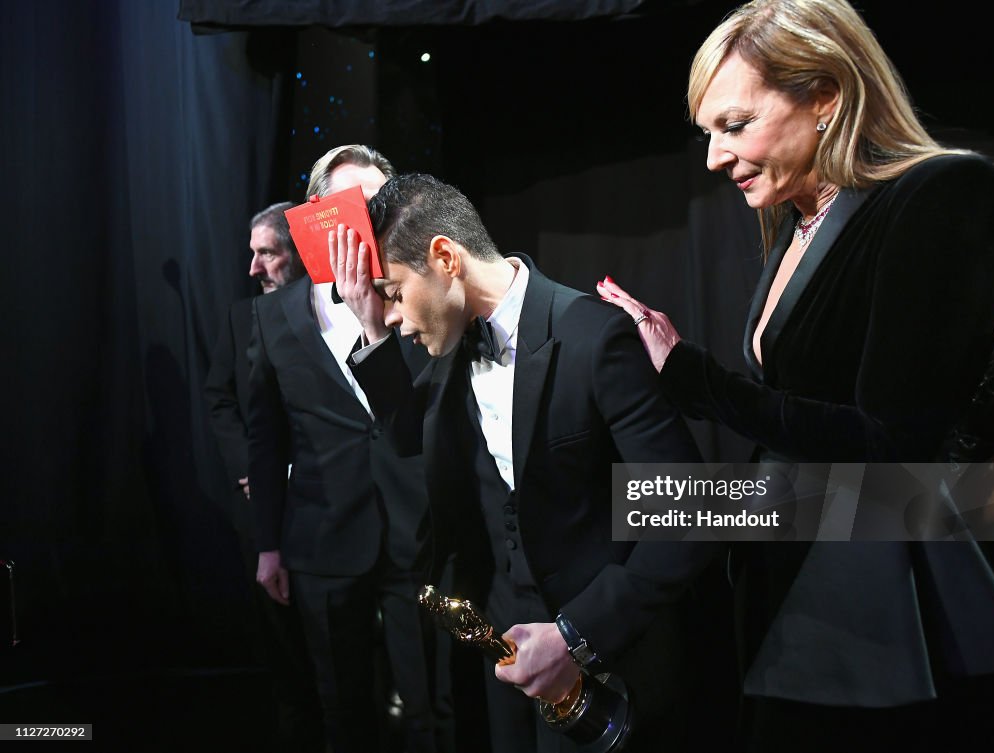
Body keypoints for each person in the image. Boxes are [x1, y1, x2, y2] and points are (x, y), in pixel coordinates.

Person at [596, 0, 994, 749]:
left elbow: (890, 446)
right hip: (790, 575)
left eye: (734, 126)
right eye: (707, 134)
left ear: (826, 96)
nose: (714, 159)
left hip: (878, 616)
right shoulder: (800, 221)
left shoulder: (943, 192)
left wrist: (693, 380)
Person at [332, 173, 714, 753]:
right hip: (501, 656)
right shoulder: (449, 346)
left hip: (602, 658)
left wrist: (575, 637)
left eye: (394, 292)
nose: (392, 316)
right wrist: (366, 319)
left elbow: (692, 514)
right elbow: (407, 434)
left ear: (445, 258)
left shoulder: (592, 337)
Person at [247, 145, 451, 753]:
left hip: (419, 537)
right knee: (341, 709)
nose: (367, 218)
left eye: (378, 203)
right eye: (351, 204)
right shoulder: (273, 317)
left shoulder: (425, 295)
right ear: (316, 214)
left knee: (431, 710)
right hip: (323, 538)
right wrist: (268, 545)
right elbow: (265, 436)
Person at [204, 201, 324, 752]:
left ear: (297, 256)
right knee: (280, 641)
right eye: (252, 254)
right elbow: (221, 400)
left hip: (324, 502)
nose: (253, 269)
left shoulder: (336, 315)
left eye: (266, 254)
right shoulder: (240, 317)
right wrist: (252, 471)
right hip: (262, 506)